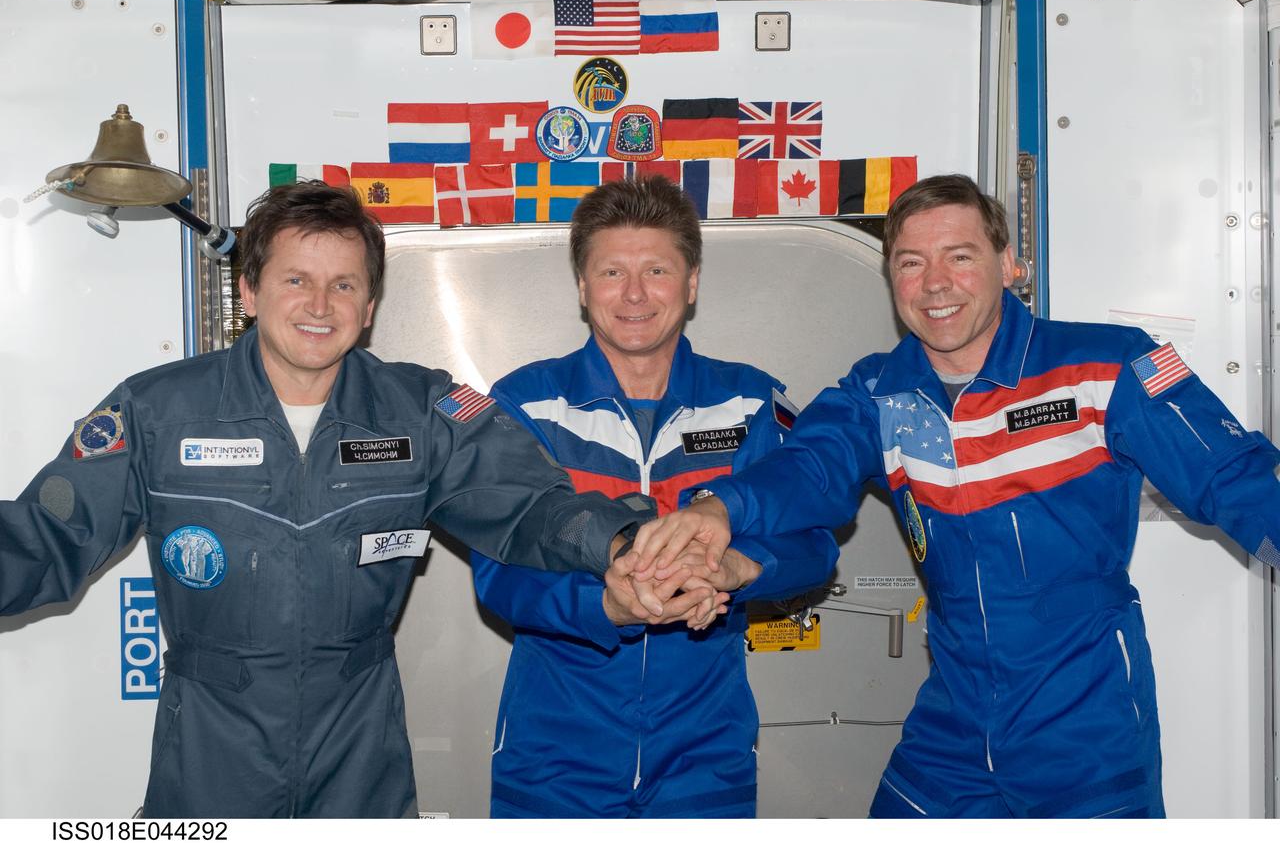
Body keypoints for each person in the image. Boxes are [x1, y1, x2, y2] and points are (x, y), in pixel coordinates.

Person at [623, 174, 1280, 818]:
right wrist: (720, 509)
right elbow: (810, 467)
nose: (935, 284)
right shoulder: (875, 392)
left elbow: (1237, 479)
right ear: (892, 282)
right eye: (911, 262)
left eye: (959, 257)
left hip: (1084, 732)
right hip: (953, 730)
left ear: (1008, 263)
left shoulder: (1107, 367)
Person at [0, 181, 656, 818]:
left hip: (359, 752)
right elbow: (47, 536)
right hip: (210, 752)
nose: (320, 304)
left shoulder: (421, 412)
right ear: (250, 290)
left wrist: (622, 542)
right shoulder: (157, 410)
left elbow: (534, 506)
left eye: (344, 284)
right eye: (295, 280)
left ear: (369, 306)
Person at [469, 176, 838, 818]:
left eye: (657, 270)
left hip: (704, 761)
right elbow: (497, 577)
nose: (634, 294)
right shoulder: (524, 405)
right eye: (611, 271)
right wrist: (605, 606)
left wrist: (739, 569)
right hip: (554, 761)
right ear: (583, 287)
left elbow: (816, 545)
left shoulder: (750, 401)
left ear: (691, 283)